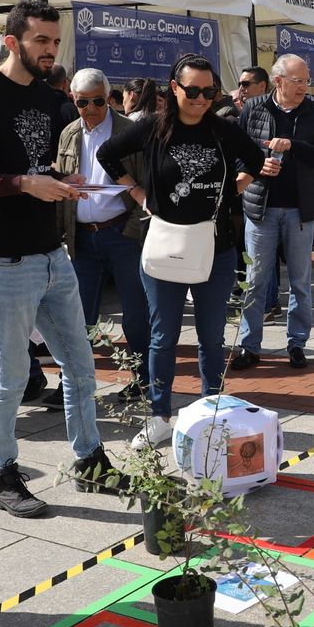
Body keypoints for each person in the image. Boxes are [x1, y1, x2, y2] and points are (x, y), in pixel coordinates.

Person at [0, 0, 115, 518]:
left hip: (52, 253)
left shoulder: (49, 97)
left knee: (81, 367)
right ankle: (2, 474)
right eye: (41, 41)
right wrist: (23, 183)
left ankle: (90, 460)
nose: (50, 50)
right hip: (5, 258)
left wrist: (63, 184)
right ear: (12, 41)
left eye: (55, 42)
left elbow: (40, 167)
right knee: (12, 376)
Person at [99, 55, 271, 444]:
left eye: (208, 91)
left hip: (217, 248)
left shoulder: (223, 130)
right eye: (192, 90)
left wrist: (232, 191)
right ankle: (160, 415)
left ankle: (210, 411)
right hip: (164, 247)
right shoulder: (153, 128)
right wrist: (138, 192)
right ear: (174, 88)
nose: (200, 98)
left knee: (212, 337)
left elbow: (257, 161)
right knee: (164, 336)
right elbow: (106, 154)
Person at [56, 68, 151, 402]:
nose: (91, 108)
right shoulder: (69, 133)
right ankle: (74, 381)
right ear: (74, 99)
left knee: (135, 314)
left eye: (98, 100)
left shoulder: (130, 131)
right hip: (82, 236)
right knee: (78, 315)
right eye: (83, 102)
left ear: (110, 97)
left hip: (123, 233)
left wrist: (136, 229)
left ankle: (144, 380)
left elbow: (145, 184)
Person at [233, 54, 314, 371]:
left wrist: (293, 145)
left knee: (300, 282)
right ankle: (250, 346)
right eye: (298, 81)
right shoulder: (254, 107)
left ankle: (297, 343)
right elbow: (238, 152)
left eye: (306, 80)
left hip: (301, 209)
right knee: (256, 280)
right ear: (278, 81)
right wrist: (260, 163)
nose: (304, 86)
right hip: (260, 206)